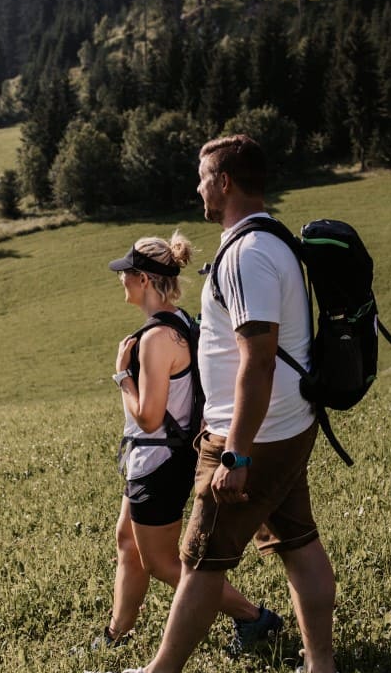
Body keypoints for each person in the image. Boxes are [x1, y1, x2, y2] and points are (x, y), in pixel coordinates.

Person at [81, 134, 339, 673]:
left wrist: (235, 453)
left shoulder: (248, 254)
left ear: (224, 182)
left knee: (199, 560)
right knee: (298, 543)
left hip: (253, 435)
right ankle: (321, 668)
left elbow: (258, 358)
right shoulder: (272, 240)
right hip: (285, 424)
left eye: (203, 178)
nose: (198, 188)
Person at [95, 231, 281, 651]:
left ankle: (254, 618)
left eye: (126, 273)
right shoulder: (179, 322)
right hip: (164, 457)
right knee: (128, 542)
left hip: (158, 462)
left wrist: (123, 377)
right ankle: (115, 635)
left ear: (144, 279)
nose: (121, 279)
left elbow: (149, 418)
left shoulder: (156, 340)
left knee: (162, 563)